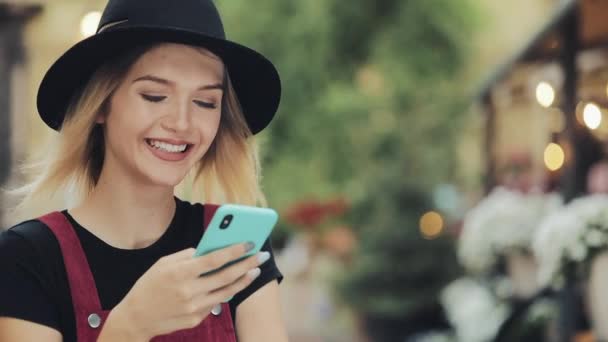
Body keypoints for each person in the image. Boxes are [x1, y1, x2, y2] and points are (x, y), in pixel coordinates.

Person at [0, 0, 288, 341]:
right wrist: (131, 325)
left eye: (206, 102)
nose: (181, 123)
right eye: (154, 95)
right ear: (101, 105)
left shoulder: (236, 248)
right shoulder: (26, 259)